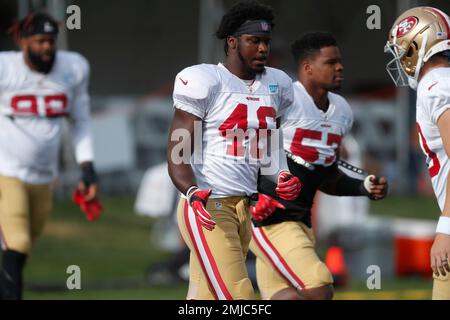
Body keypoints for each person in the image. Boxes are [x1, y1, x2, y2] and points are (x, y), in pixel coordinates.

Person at [167, 0, 301, 300]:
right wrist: (191, 192)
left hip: (244, 207)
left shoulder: (277, 84)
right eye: (254, 41)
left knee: (204, 299)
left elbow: (270, 144)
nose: (263, 49)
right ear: (232, 42)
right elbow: (178, 152)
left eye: (266, 42)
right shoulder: (205, 80)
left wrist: (281, 175)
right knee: (239, 297)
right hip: (208, 207)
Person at [249, 32, 388, 300]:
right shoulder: (283, 100)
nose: (340, 67)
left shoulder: (342, 111)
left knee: (287, 296)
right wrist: (255, 193)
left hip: (301, 220)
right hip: (269, 219)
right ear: (307, 67)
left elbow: (325, 176)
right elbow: (246, 149)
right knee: (320, 285)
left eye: (340, 61)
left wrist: (362, 187)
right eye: (331, 62)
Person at [0, 12, 98, 299]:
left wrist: (87, 167)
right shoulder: (6, 68)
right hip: (6, 171)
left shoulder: (74, 67)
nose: (47, 47)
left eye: (51, 41)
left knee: (21, 248)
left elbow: (80, 120)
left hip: (44, 176)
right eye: (40, 41)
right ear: (23, 41)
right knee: (16, 242)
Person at [385, 6, 450, 300]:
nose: (399, 59)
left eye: (401, 50)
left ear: (416, 45)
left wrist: (446, 229)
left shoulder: (434, 85)